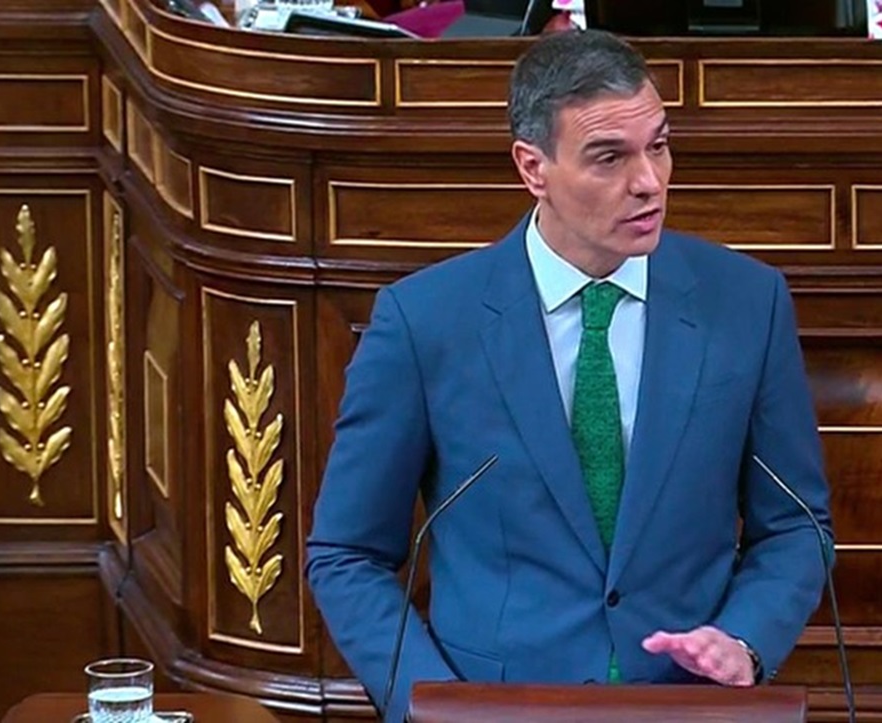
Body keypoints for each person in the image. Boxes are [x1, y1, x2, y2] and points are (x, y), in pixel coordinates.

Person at [305, 28, 833, 723]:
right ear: (533, 167)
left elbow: (798, 525)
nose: (648, 181)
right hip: (494, 708)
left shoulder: (746, 302)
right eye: (609, 157)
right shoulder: (427, 320)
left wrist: (746, 639)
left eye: (660, 145)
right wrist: (432, 703)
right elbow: (346, 552)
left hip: (688, 707)